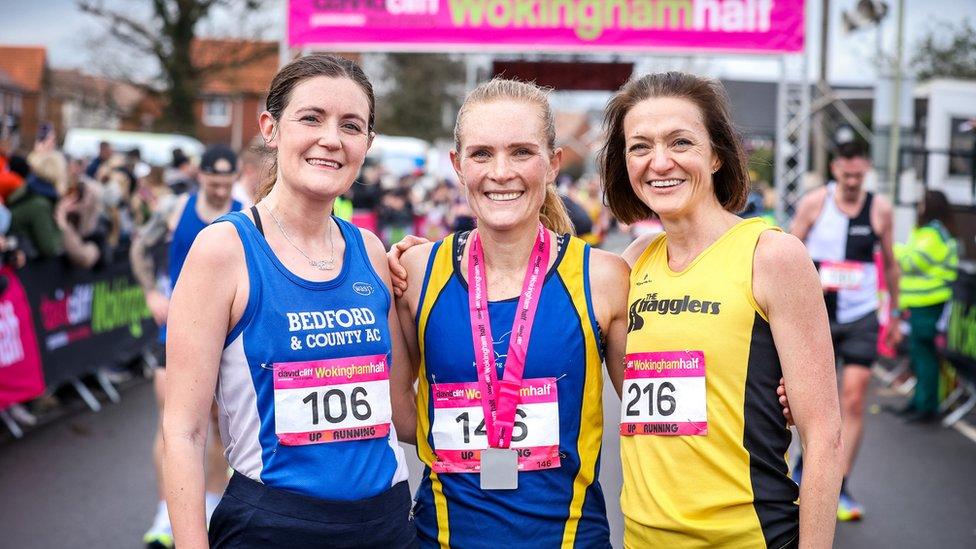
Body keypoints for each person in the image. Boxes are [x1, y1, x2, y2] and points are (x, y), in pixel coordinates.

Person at [162, 54, 416, 548]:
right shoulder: (224, 249)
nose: (331, 139)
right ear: (271, 129)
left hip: (385, 524)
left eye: (351, 125)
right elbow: (185, 430)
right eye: (311, 118)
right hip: (275, 527)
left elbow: (401, 412)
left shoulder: (370, 250)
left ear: (367, 144)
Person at [603, 72, 842, 547]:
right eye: (639, 146)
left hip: (749, 536)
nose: (659, 162)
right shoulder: (628, 265)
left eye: (680, 142)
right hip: (641, 539)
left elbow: (825, 437)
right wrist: (423, 258)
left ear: (716, 155)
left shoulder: (772, 255)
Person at [391, 79, 630, 548]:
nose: (501, 172)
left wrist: (775, 393)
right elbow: (399, 412)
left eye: (521, 152)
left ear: (553, 163)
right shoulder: (415, 272)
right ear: (458, 166)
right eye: (481, 154)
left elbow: (654, 417)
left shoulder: (603, 278)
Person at [131, 144, 242, 548]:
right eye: (212, 178)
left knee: (216, 424)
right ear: (201, 175)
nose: (219, 186)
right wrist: (150, 293)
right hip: (177, 328)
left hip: (226, 332)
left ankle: (211, 503)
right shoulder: (176, 209)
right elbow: (140, 246)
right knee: (172, 420)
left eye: (226, 178)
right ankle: (165, 513)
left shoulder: (247, 211)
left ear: (235, 175)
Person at [790, 141, 900, 522]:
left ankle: (840, 482)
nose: (852, 181)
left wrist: (896, 314)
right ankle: (805, 464)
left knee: (853, 399)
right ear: (835, 168)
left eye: (859, 175)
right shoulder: (815, 203)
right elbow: (787, 249)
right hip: (818, 315)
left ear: (866, 169)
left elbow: (890, 262)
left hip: (861, 315)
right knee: (813, 401)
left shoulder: (880, 209)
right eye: (846, 174)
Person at [894, 189, 958, 423]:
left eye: (921, 203)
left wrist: (892, 249)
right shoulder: (929, 232)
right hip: (921, 302)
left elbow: (912, 261)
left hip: (929, 302)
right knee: (919, 354)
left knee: (925, 356)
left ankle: (927, 406)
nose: (918, 207)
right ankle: (919, 401)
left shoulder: (933, 233)